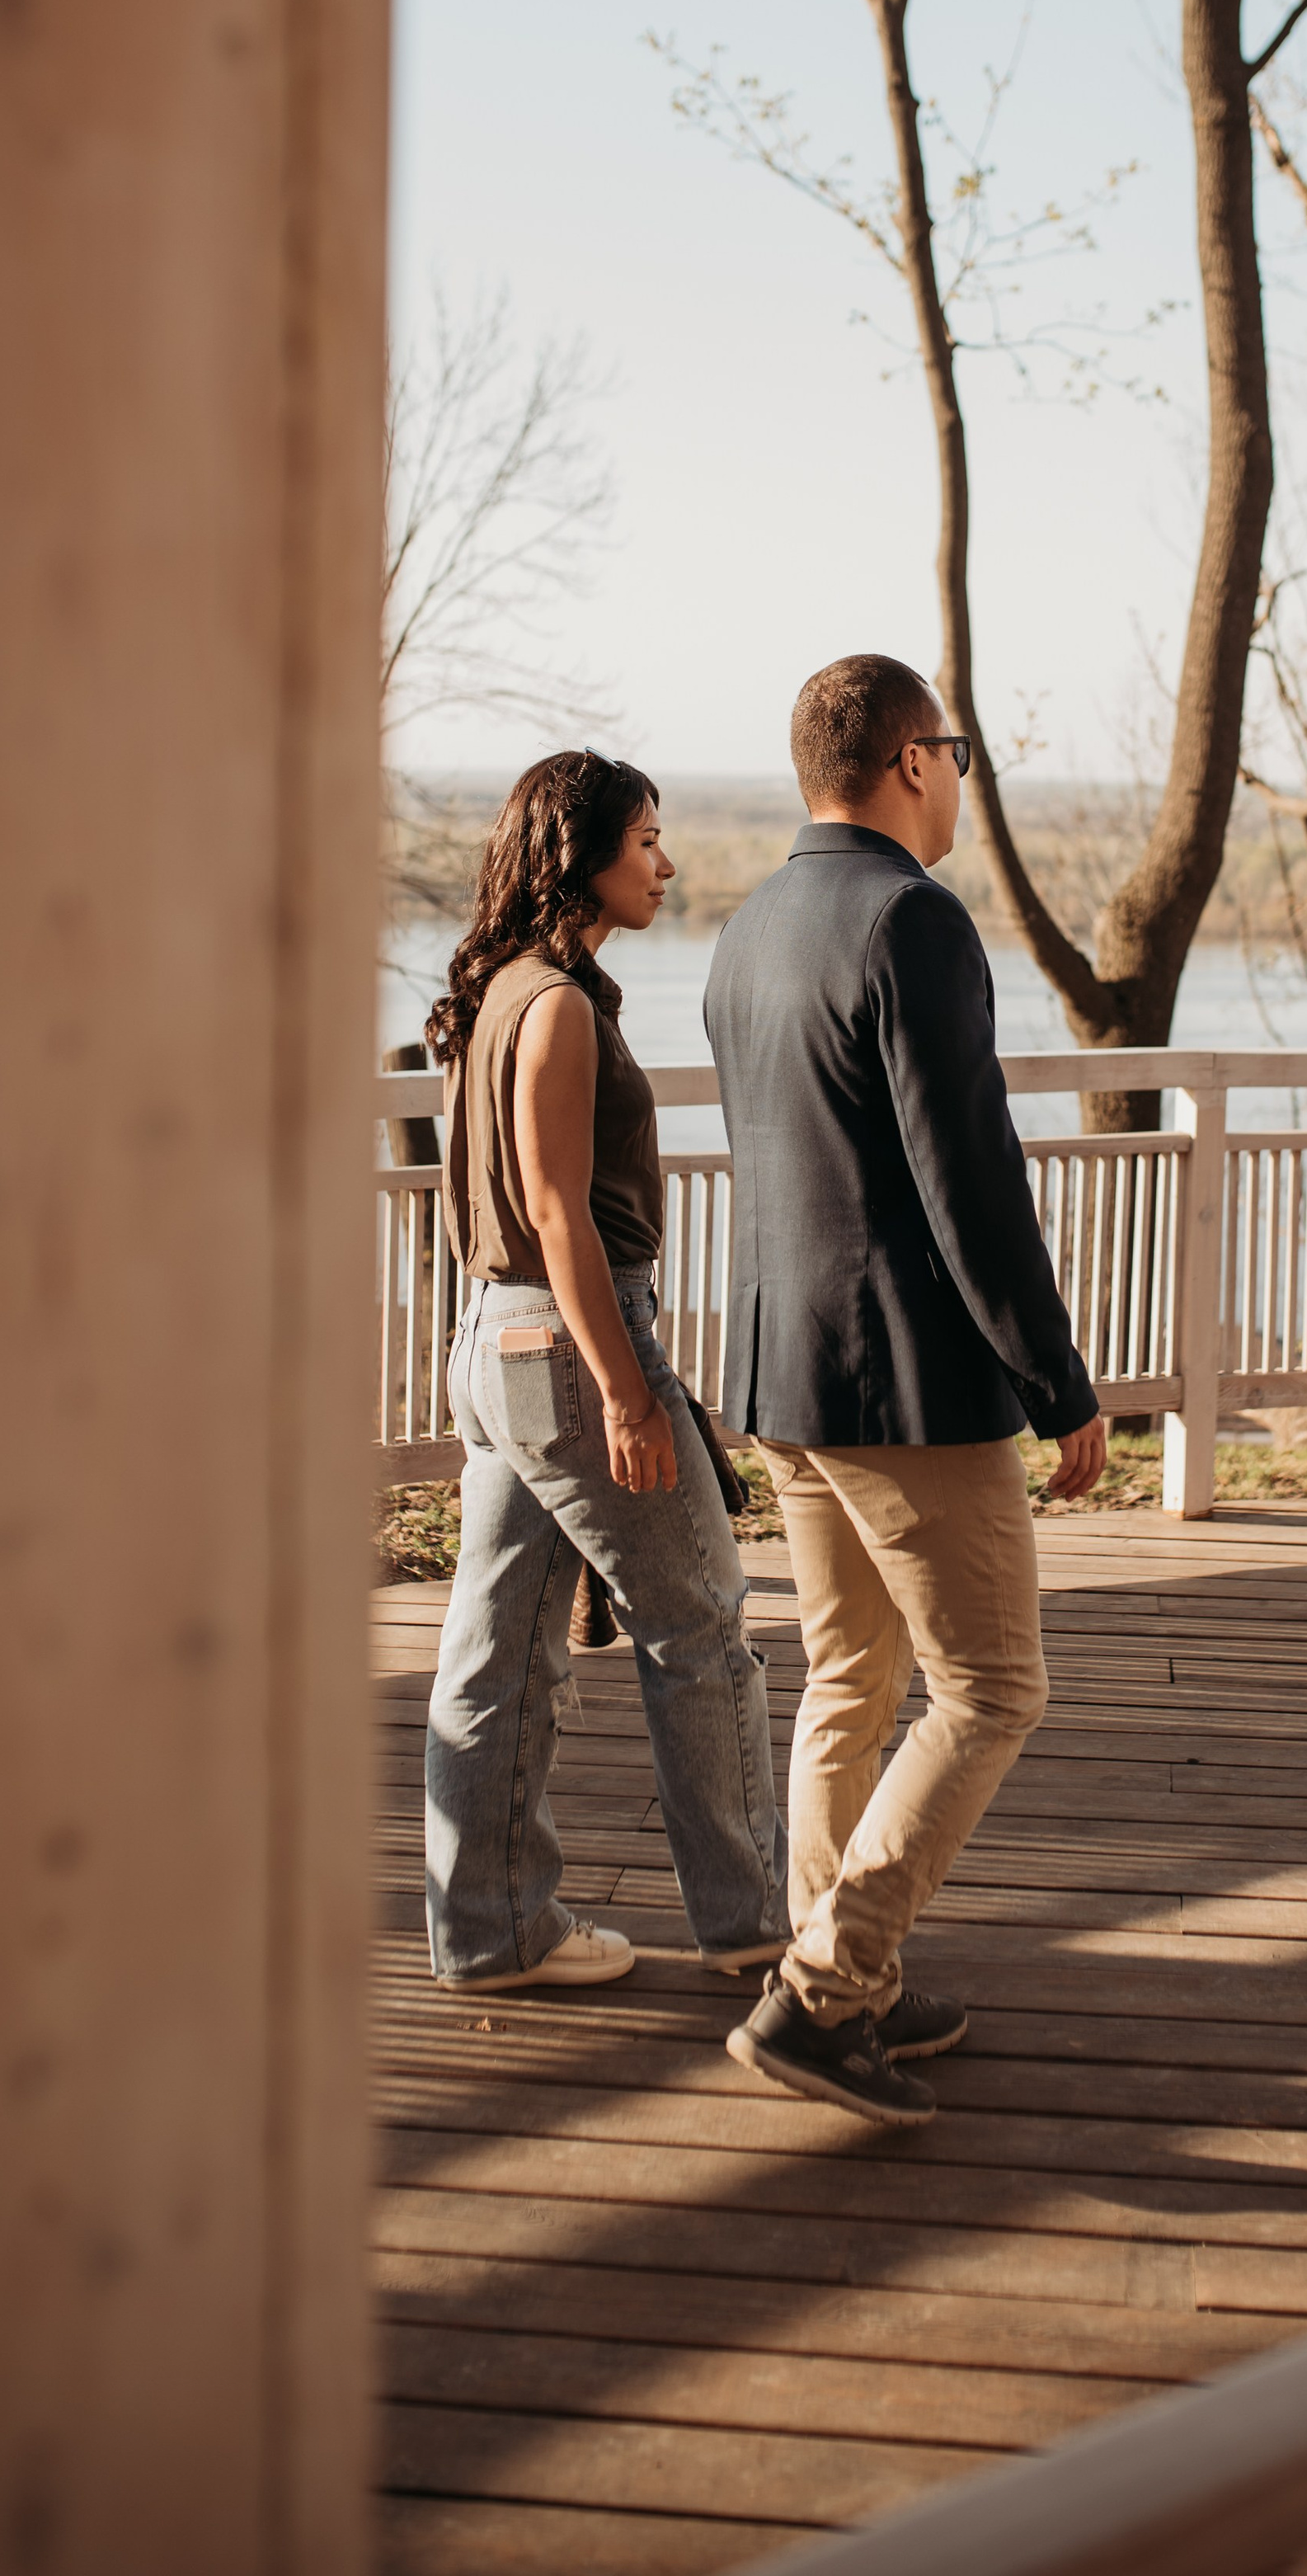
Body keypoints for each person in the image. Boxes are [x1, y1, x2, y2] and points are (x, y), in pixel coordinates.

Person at [706, 656, 1106, 2124]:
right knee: (994, 1685)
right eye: (952, 752)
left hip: (785, 1375)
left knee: (851, 1683)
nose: (960, 781)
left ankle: (839, 1980)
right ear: (909, 762)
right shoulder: (913, 923)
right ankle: (824, 1995)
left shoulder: (747, 929)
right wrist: (1055, 1379)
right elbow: (970, 1186)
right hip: (905, 1390)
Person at [421, 749, 787, 1991]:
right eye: (645, 841)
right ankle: (752, 1927)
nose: (666, 864)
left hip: (495, 1342)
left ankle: (493, 1931)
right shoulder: (561, 1008)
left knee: (500, 1648)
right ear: (580, 857)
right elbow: (561, 1212)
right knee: (701, 1625)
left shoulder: (499, 994)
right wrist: (630, 1394)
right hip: (575, 1350)